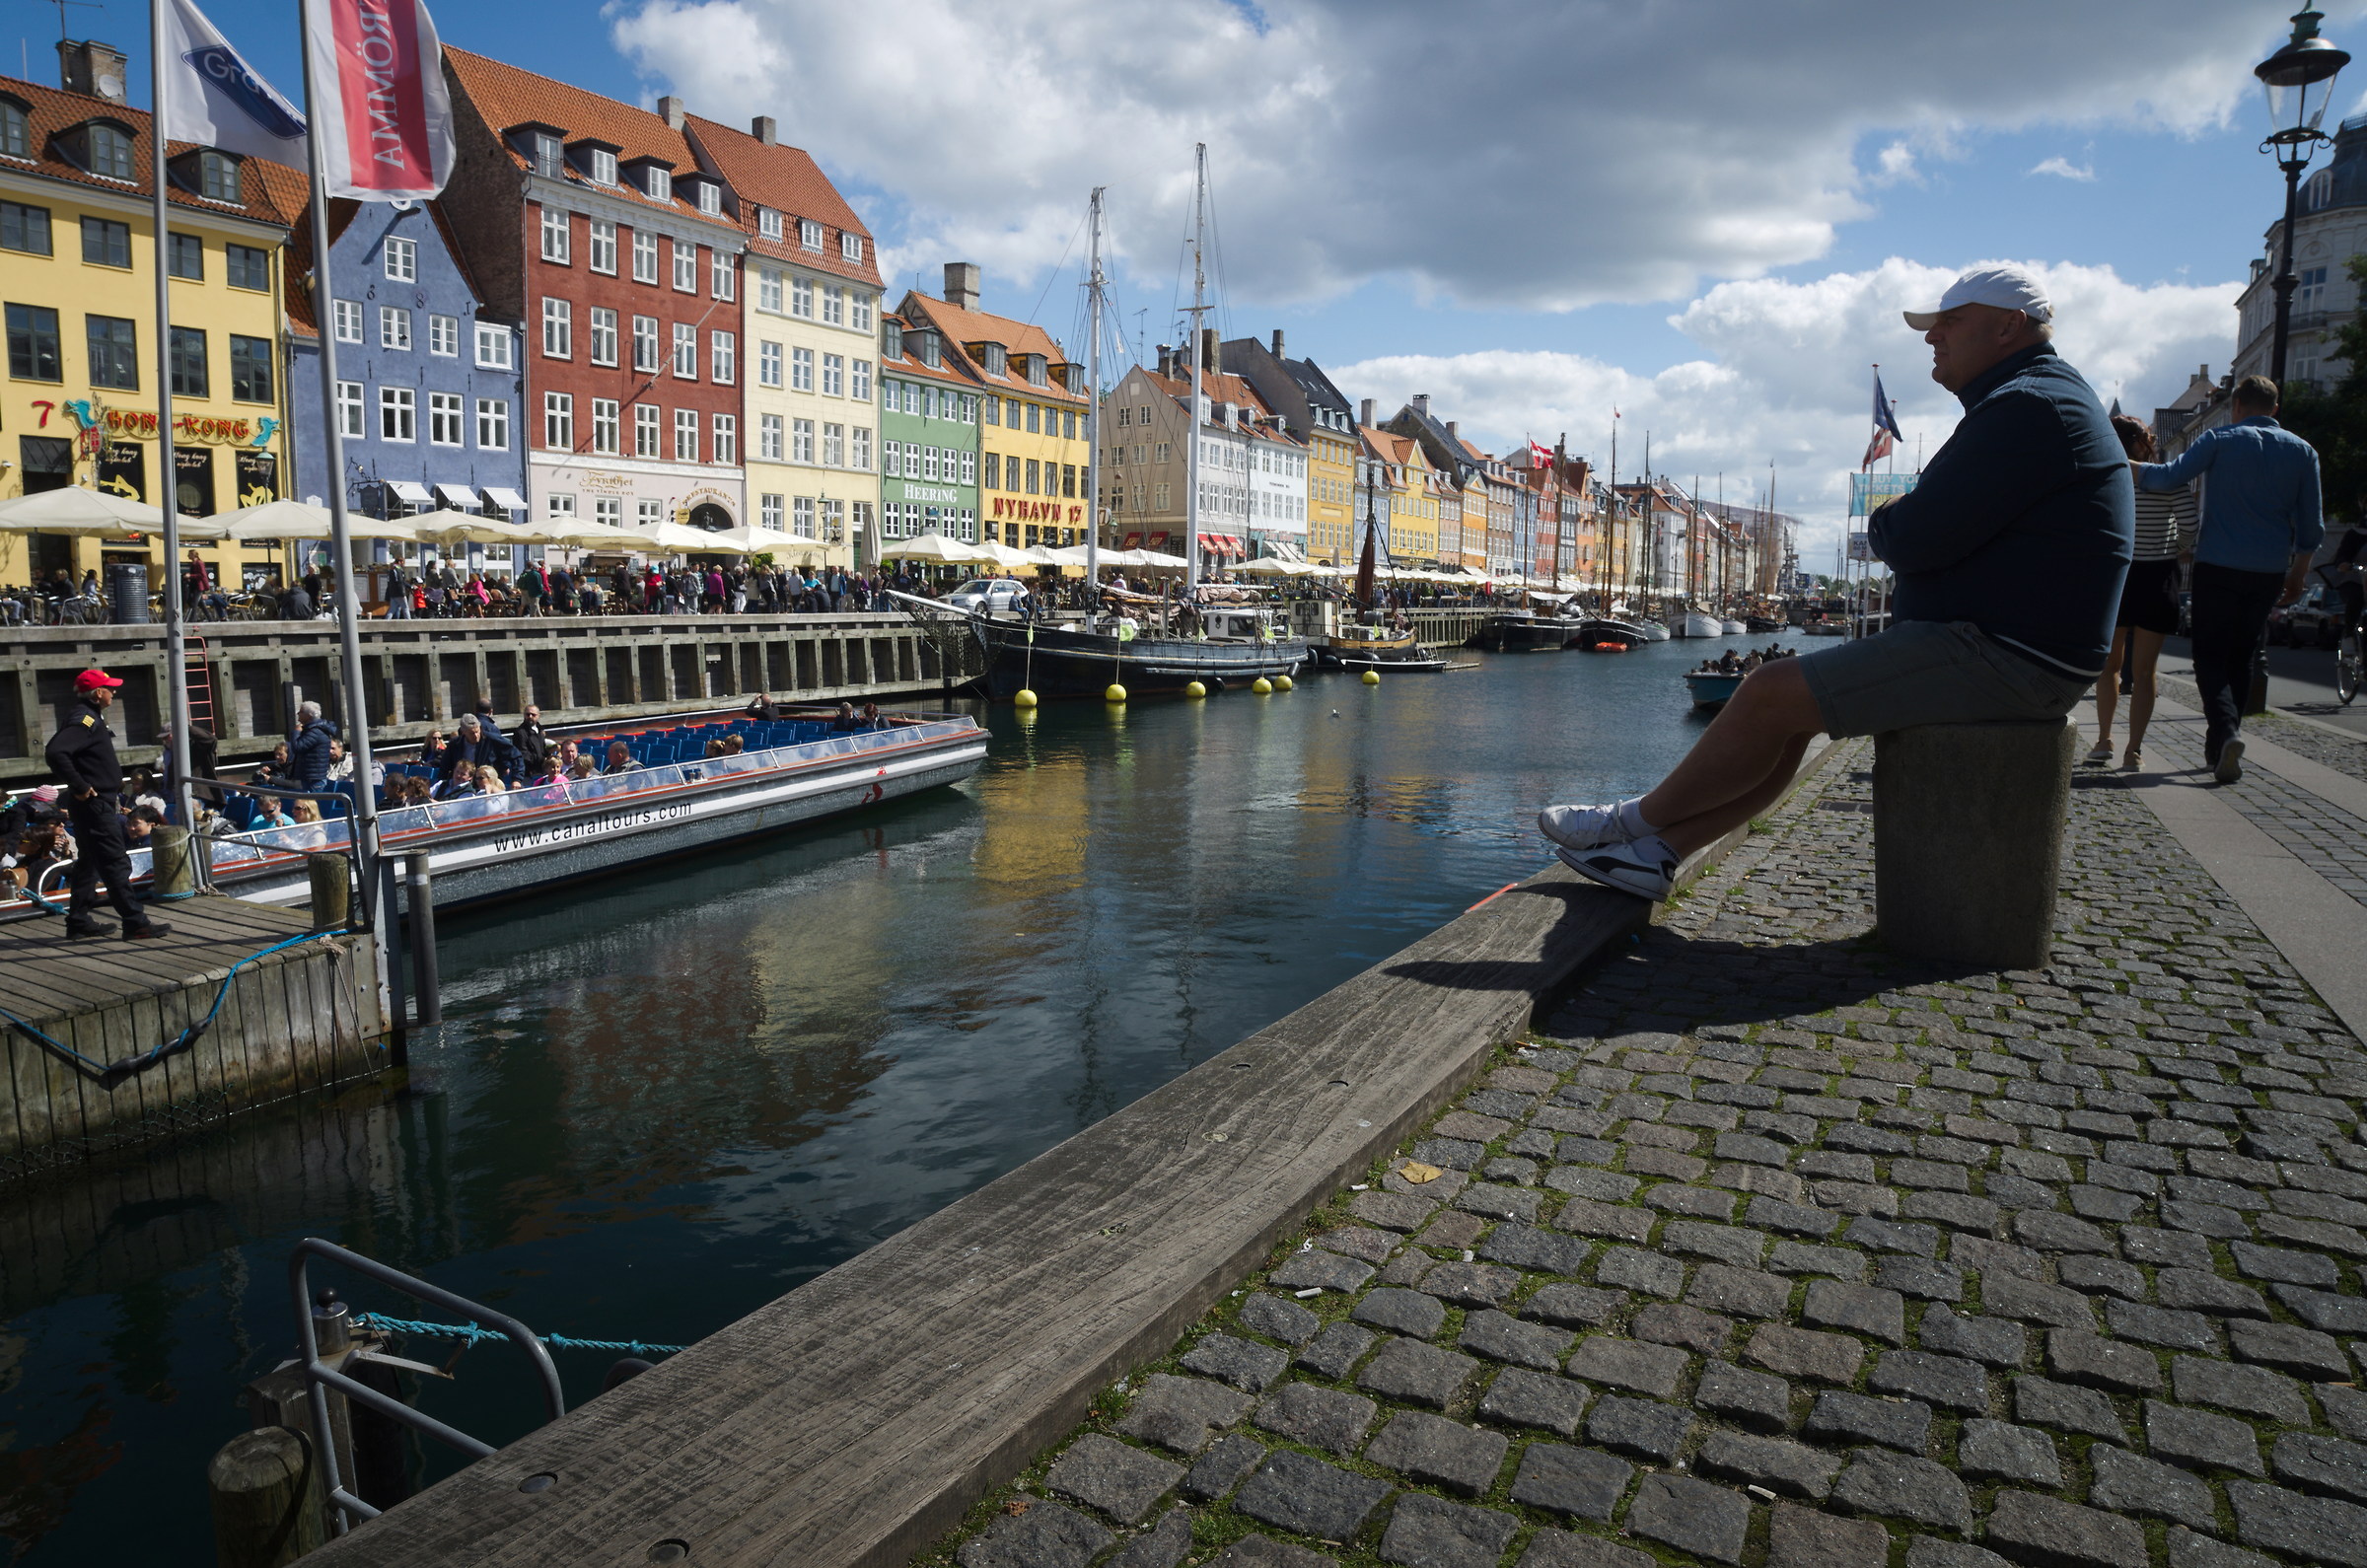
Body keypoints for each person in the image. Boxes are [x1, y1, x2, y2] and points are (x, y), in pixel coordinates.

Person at [1538, 265, 2129, 899]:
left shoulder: (2027, 407)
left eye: (1949, 324)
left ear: (2008, 326)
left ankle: (1628, 824)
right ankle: (1655, 853)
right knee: (1787, 717)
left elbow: (1915, 535)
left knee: (1767, 693)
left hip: (2005, 654)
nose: (1933, 339)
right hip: (2017, 647)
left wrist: (1889, 519)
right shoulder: (2036, 399)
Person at [2135, 373, 2323, 783]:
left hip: (2219, 564)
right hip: (2269, 568)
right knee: (2243, 655)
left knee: (2209, 655)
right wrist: (2298, 574)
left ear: (2236, 406)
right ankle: (2221, 743)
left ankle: (2226, 732)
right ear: (2275, 411)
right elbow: (2311, 526)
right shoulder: (2303, 451)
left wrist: (2129, 465)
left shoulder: (2218, 440)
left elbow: (2168, 478)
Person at [2090, 415, 2197, 771]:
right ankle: (2133, 750)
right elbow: (2190, 526)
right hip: (2158, 574)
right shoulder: (2168, 479)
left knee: (2109, 666)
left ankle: (2104, 738)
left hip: (2115, 574)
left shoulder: (2104, 476)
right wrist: (2176, 547)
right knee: (2145, 670)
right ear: (2140, 442)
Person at [43, 669, 167, 939]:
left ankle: (78, 921)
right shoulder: (84, 718)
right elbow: (55, 752)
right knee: (115, 862)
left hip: (93, 805)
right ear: (98, 692)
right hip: (95, 805)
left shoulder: (89, 715)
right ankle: (136, 922)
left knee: (89, 864)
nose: (114, 692)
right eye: (110, 688)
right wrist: (80, 786)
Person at [434, 714, 518, 796]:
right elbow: (444, 768)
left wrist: (516, 779)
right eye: (472, 733)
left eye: (477, 731)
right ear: (463, 732)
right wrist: (442, 788)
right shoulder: (455, 744)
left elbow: (515, 755)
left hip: (487, 785)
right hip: (462, 788)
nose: (476, 735)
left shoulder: (491, 740)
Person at [288, 701, 338, 791]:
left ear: (309, 715)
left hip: (313, 780)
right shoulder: (311, 730)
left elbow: (297, 747)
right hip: (308, 777)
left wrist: (296, 732)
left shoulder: (315, 732)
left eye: (301, 712)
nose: (298, 714)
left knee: (312, 804)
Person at [514, 704, 553, 776]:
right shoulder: (520, 732)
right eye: (528, 714)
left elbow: (542, 748)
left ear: (538, 716)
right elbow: (523, 754)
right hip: (529, 772)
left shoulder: (540, 730)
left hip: (542, 770)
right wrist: (542, 759)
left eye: (533, 715)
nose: (530, 717)